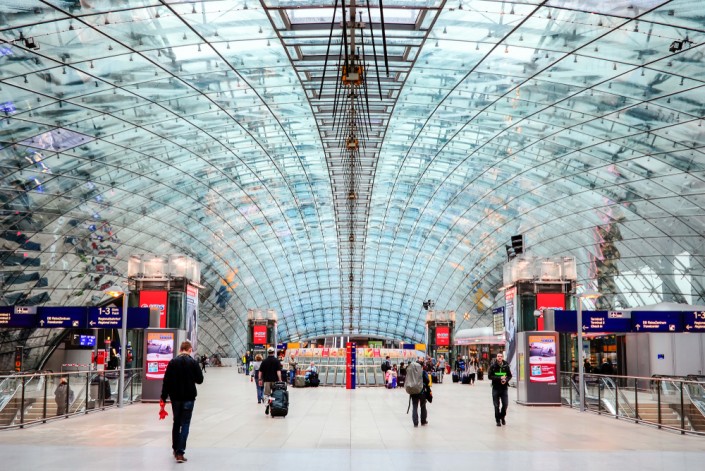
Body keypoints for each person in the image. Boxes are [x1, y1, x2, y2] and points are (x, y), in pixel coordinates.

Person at [160, 340, 204, 463]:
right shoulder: (193, 363)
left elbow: (166, 381)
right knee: (185, 424)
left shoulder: (173, 362)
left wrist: (163, 397)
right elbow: (200, 380)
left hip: (176, 398)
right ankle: (180, 452)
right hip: (189, 397)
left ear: (180, 349)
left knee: (176, 422)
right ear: (190, 350)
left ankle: (175, 449)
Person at [489, 353, 512, 427]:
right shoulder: (493, 366)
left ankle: (502, 416)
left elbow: (509, 375)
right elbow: (489, 376)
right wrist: (499, 378)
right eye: (498, 356)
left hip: (504, 388)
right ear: (496, 357)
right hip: (496, 388)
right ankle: (498, 420)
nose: (499, 357)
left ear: (502, 357)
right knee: (496, 405)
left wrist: (506, 380)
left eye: (501, 356)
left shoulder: (506, 366)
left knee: (505, 404)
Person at [258, 347, 282, 415]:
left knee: (267, 395)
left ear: (268, 353)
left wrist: (260, 379)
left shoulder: (264, 361)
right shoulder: (276, 361)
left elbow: (260, 371)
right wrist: (280, 379)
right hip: (275, 381)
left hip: (267, 381)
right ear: (273, 352)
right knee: (274, 394)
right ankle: (274, 406)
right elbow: (278, 372)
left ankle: (267, 406)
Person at [406, 358, 429, 427]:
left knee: (415, 406)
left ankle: (415, 422)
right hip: (422, 392)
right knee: (423, 406)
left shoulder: (411, 373)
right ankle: (423, 421)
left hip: (413, 391)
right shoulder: (423, 372)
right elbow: (427, 381)